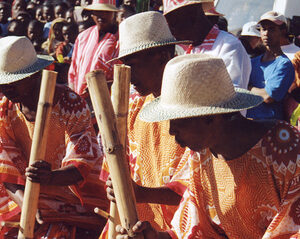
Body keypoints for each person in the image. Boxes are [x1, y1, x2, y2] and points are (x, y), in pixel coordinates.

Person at [114, 53, 300, 239]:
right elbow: (193, 227)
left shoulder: (287, 148)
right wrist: (155, 237)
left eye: (178, 121)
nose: (171, 131)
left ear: (211, 116)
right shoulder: (203, 156)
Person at [0, 36, 108, 238]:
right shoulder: (5, 110)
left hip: (76, 199)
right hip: (31, 198)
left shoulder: (70, 103)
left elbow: (82, 164)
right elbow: (6, 171)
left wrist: (50, 177)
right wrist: (28, 207)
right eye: (3, 84)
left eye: (13, 82)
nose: (6, 89)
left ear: (34, 76)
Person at [99, 11, 190, 238]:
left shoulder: (194, 110)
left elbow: (199, 188)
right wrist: (117, 186)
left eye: (134, 65)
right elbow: (117, 171)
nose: (128, 76)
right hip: (139, 228)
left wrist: (140, 193)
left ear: (163, 55)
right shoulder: (133, 109)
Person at [163, 0, 251, 90]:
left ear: (193, 15)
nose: (172, 32)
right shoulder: (190, 49)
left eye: (173, 25)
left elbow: (232, 94)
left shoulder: (228, 45)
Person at [246, 11, 295, 120]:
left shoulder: (284, 64)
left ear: (282, 31)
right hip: (247, 124)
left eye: (272, 29)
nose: (266, 33)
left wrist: (248, 88)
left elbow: (268, 97)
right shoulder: (252, 62)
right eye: (263, 29)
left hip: (269, 126)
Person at [68, 0, 119, 103]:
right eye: (98, 11)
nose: (102, 16)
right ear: (92, 13)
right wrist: (73, 96)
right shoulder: (83, 37)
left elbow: (123, 76)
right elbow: (73, 70)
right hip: (78, 100)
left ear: (113, 14)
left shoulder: (120, 40)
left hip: (106, 102)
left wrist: (102, 85)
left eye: (107, 12)